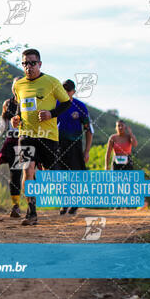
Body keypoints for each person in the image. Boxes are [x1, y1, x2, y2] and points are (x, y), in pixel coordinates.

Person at [11, 49, 71, 225]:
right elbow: (19, 107)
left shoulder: (51, 82)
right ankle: (31, 213)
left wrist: (51, 114)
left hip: (48, 136)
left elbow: (67, 103)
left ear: (39, 64)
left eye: (32, 63)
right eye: (25, 63)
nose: (28, 67)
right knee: (27, 170)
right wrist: (17, 118)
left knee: (50, 174)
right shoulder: (19, 85)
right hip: (26, 135)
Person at [56, 79, 93, 215]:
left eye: (68, 90)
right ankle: (64, 203)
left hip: (76, 145)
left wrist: (87, 151)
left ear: (73, 92)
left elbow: (89, 130)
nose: (65, 92)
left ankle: (75, 202)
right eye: (63, 89)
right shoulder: (56, 104)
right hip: (59, 145)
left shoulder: (80, 106)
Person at [0, 77, 23, 218]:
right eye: (15, 85)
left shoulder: (30, 101)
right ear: (12, 88)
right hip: (13, 141)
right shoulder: (7, 103)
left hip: (29, 139)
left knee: (30, 173)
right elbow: (3, 123)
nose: (16, 88)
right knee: (15, 174)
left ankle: (32, 205)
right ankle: (16, 205)